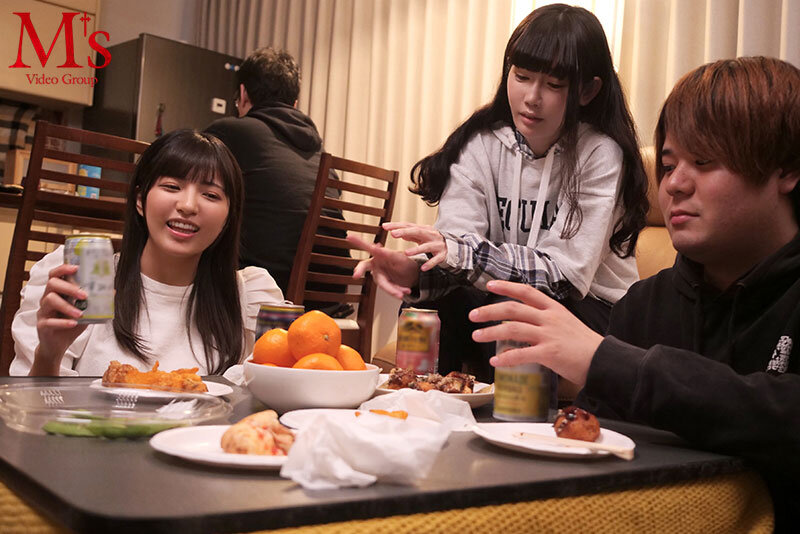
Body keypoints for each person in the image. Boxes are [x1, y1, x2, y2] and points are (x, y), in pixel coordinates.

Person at [468, 56, 800, 531]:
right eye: (668, 165)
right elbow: (597, 459)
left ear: (786, 169)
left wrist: (607, 361)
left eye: (704, 162)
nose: (674, 185)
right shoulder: (643, 308)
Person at [350, 4, 648, 380]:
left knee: (513, 305)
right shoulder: (481, 145)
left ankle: (511, 414)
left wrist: (461, 253)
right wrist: (417, 272)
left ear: (587, 91)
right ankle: (418, 403)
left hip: (594, 315)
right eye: (522, 76)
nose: (532, 97)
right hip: (506, 301)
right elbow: (457, 250)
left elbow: (564, 277)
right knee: (430, 307)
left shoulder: (600, 154)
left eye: (553, 85)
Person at [10, 130, 284, 376]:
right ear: (140, 200)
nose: (188, 205)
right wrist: (50, 353)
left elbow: (270, 396)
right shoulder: (87, 278)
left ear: (228, 217)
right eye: (172, 187)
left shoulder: (249, 296)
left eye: (211, 195)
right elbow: (32, 407)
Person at [205, 47, 352, 317]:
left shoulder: (230, 133)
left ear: (243, 94)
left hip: (267, 299)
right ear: (295, 103)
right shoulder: (320, 156)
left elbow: (188, 187)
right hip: (328, 307)